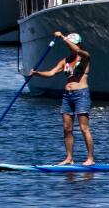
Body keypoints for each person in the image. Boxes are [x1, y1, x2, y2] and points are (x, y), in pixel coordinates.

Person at [28, 30, 94, 165]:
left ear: (79, 44)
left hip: (81, 94)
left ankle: (90, 159)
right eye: (69, 44)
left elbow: (75, 49)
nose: (70, 47)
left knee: (83, 128)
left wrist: (63, 37)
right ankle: (69, 158)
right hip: (67, 96)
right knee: (67, 128)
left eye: (73, 44)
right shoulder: (66, 61)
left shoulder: (85, 56)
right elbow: (51, 73)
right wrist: (36, 74)